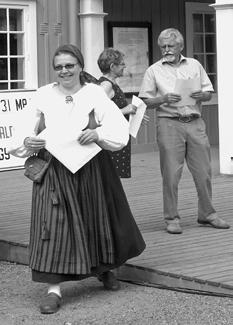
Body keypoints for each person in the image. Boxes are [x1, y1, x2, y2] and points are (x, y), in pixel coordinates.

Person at [8, 44, 146, 314]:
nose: (64, 70)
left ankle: (104, 270)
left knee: (96, 217)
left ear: (80, 66)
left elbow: (116, 126)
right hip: (54, 167)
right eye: (59, 66)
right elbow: (24, 128)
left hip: (91, 165)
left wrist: (98, 134)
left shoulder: (94, 92)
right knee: (53, 225)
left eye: (69, 65)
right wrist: (27, 140)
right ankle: (53, 288)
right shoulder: (44, 94)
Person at [139, 28, 230, 234]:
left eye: (170, 46)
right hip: (169, 123)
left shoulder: (195, 65)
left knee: (204, 172)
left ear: (180, 46)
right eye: (163, 46)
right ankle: (171, 217)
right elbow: (145, 100)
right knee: (171, 174)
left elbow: (208, 92)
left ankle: (207, 214)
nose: (166, 50)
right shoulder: (153, 70)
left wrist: (202, 95)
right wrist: (163, 99)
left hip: (195, 123)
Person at [97, 48, 149, 178]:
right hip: (111, 141)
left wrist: (133, 116)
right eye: (121, 64)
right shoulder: (106, 86)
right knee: (110, 180)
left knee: (113, 181)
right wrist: (125, 110)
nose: (124, 66)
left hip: (117, 138)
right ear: (112, 66)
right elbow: (97, 114)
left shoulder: (111, 84)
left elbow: (113, 110)